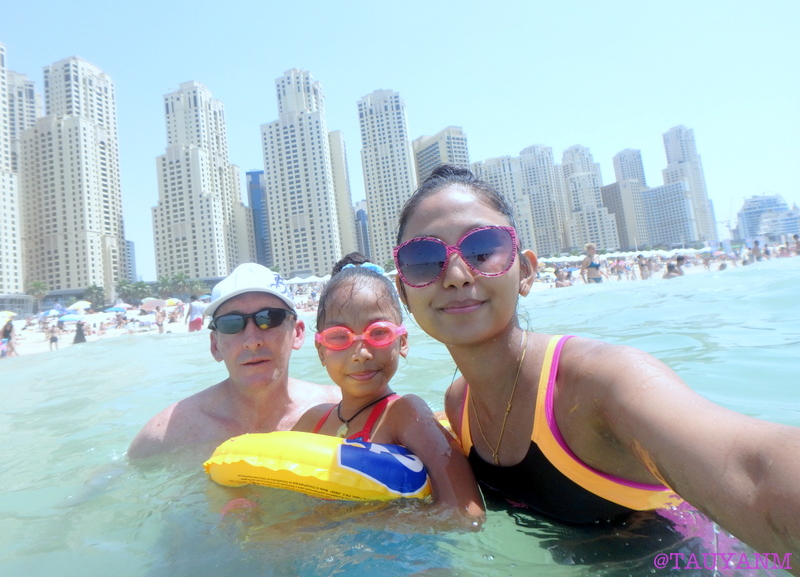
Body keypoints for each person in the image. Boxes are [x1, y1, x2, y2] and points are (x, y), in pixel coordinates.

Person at [392, 165, 799, 556]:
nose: (457, 275)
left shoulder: (604, 384)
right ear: (405, 293)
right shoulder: (459, 403)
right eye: (425, 258)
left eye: (482, 249)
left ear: (527, 272)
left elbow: (754, 472)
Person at [292, 263, 484, 526]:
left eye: (378, 333)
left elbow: (467, 513)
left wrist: (358, 522)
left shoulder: (404, 416)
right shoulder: (313, 421)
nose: (360, 354)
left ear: (402, 342)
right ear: (320, 351)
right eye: (338, 337)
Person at [128, 263, 340, 460]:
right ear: (215, 345)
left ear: (298, 333)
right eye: (231, 323)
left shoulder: (342, 411)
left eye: (269, 318)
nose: (252, 342)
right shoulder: (166, 434)